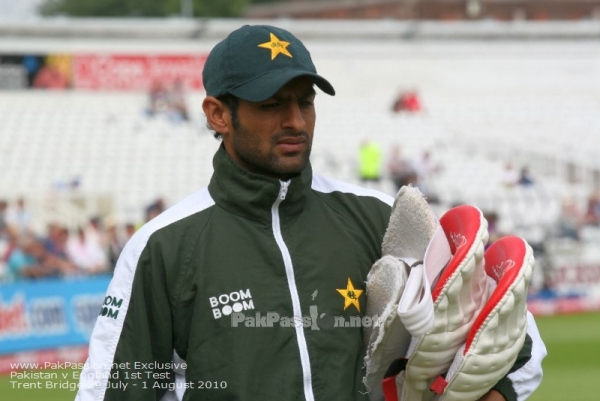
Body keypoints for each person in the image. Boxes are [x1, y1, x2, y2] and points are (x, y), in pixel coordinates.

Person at [76, 25, 545, 401]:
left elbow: (511, 333)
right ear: (218, 114)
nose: (296, 121)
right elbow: (107, 391)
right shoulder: (163, 247)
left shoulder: (381, 218)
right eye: (272, 104)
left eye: (305, 101)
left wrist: (495, 393)